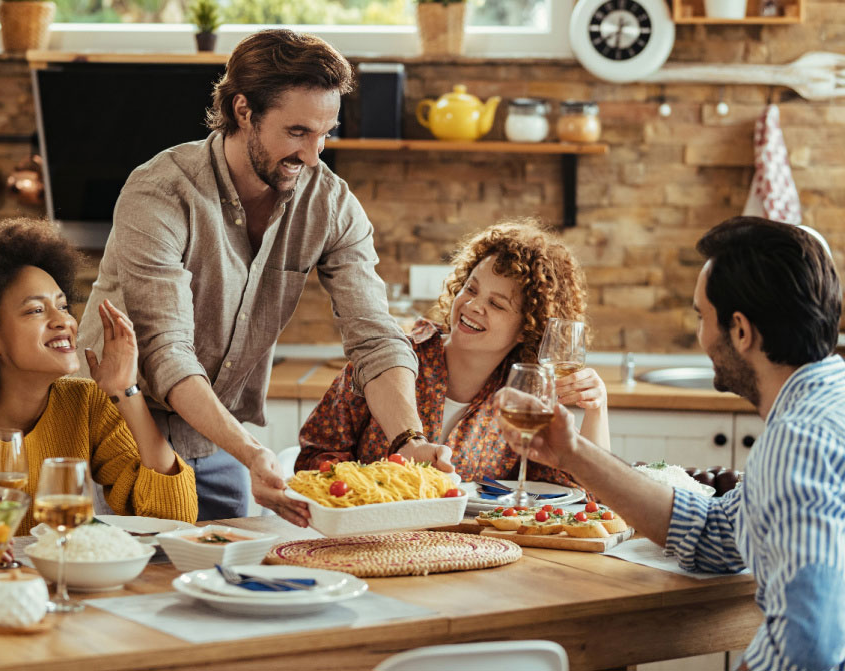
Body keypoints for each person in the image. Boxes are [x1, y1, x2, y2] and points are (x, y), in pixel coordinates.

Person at [78, 29, 439, 526]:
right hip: (123, 428)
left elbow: (376, 337)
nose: (314, 155)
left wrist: (409, 441)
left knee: (229, 580)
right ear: (244, 110)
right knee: (141, 589)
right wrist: (251, 452)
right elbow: (166, 351)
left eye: (325, 133)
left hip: (217, 435)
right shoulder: (161, 192)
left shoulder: (330, 203)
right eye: (297, 132)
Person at [497, 217, 845, 671]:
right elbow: (717, 534)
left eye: (702, 317)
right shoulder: (826, 405)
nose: (701, 336)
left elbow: (808, 648)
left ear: (740, 331)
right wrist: (572, 452)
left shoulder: (798, 440)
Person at [0, 220, 198, 534]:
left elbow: (172, 518)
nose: (63, 320)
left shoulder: (86, 405)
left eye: (63, 306)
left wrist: (126, 392)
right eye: (36, 310)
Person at [298, 219, 610, 485]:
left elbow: (581, 492)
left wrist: (597, 408)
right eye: (471, 289)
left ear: (528, 328)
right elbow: (314, 458)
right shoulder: (387, 358)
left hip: (477, 548)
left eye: (496, 304)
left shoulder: (528, 393)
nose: (473, 306)